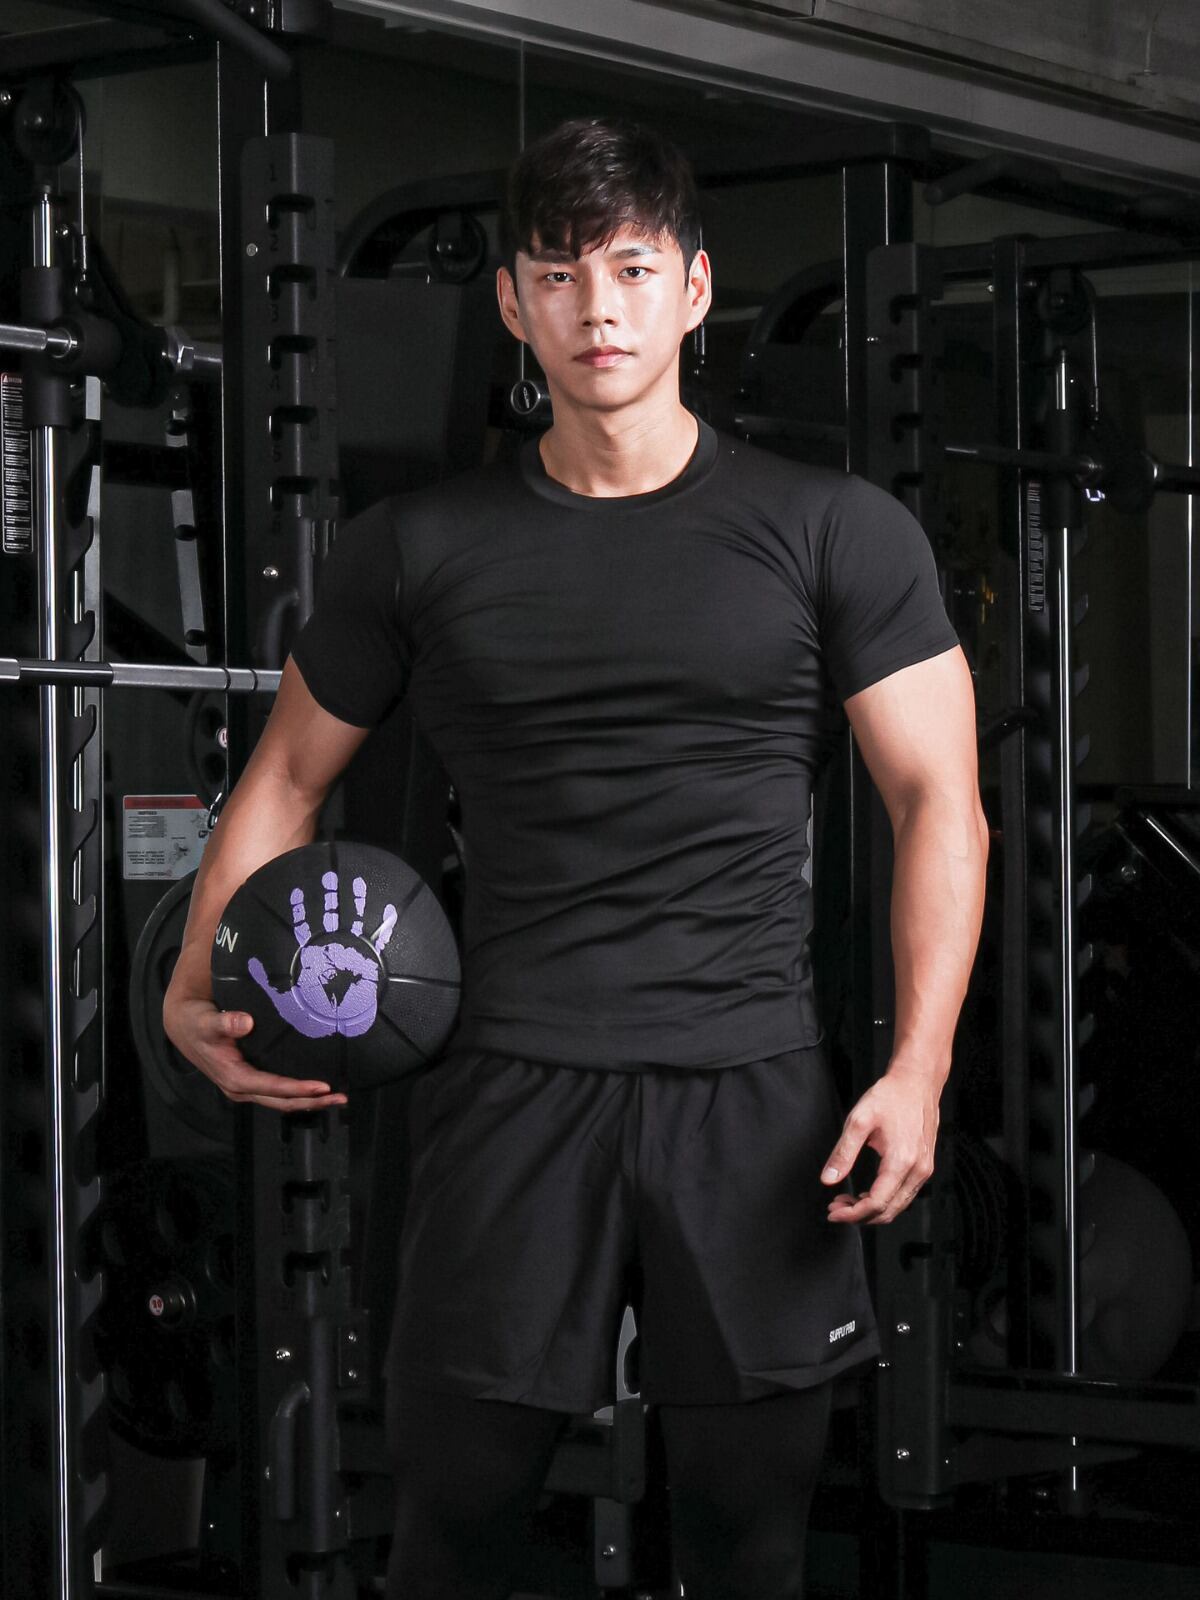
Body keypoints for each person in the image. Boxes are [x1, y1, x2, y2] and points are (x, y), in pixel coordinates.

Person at [164, 117, 988, 1600]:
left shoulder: (835, 532)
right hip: (511, 1090)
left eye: (630, 269)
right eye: (558, 274)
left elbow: (941, 802)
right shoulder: (417, 547)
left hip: (749, 1093)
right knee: (455, 1526)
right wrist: (192, 973)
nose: (596, 308)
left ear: (694, 288)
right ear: (511, 302)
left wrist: (919, 1067)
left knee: (749, 1538)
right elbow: (285, 777)